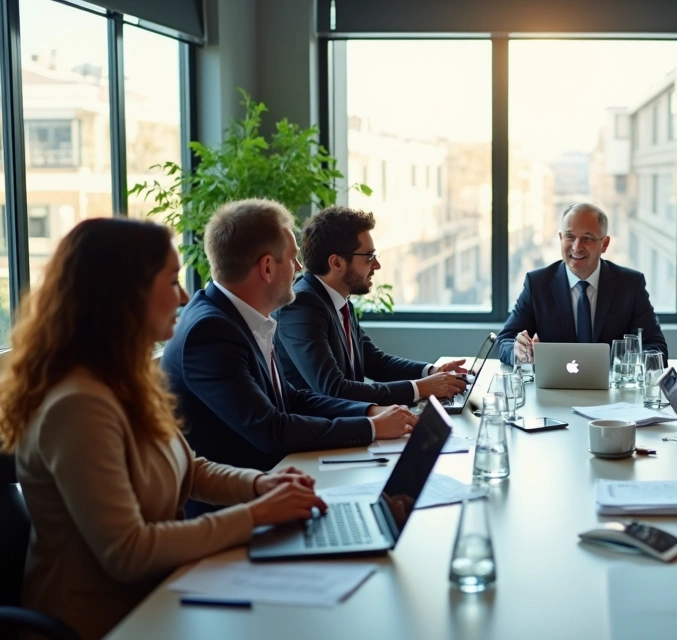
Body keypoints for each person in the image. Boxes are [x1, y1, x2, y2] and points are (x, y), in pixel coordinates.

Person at [0, 219, 328, 640]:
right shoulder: (77, 404)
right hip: (106, 624)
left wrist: (261, 486)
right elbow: (128, 552)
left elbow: (188, 469)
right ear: (125, 294)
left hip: (159, 598)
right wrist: (255, 515)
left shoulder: (124, 380)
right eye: (172, 280)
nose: (185, 296)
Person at [162, 199, 415, 482]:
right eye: (294, 258)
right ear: (267, 268)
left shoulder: (237, 317)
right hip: (242, 500)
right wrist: (371, 427)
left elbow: (291, 399)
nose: (299, 268)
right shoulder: (210, 332)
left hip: (278, 477)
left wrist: (370, 411)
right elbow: (270, 429)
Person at [276, 205, 468, 405]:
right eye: (369, 257)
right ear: (337, 263)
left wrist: (432, 372)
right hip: (322, 431)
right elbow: (333, 388)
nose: (377, 265)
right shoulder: (301, 306)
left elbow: (375, 362)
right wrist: (422, 388)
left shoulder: (339, 300)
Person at [497, 202, 667, 363]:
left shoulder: (631, 284)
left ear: (605, 244)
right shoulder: (537, 284)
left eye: (587, 238)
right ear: (561, 238)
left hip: (612, 389)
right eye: (570, 237)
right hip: (554, 389)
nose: (577, 247)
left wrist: (632, 365)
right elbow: (505, 341)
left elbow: (656, 347)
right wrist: (518, 351)